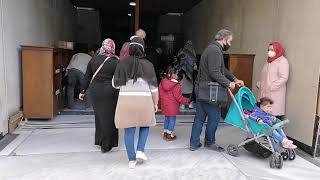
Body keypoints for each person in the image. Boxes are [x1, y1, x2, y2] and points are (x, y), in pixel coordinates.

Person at [190, 29, 244, 152]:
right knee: (214, 117)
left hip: (202, 89)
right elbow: (215, 72)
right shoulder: (215, 50)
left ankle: (194, 143)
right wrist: (228, 83)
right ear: (224, 39)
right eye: (230, 41)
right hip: (209, 91)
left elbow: (222, 69)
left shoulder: (212, 48)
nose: (230, 44)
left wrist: (234, 79)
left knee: (199, 117)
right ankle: (209, 142)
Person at [113, 37, 158, 169]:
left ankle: (131, 160)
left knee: (129, 131)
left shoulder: (122, 63)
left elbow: (115, 85)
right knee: (145, 125)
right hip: (144, 102)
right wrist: (155, 103)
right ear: (143, 48)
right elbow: (154, 88)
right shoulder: (148, 65)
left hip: (126, 102)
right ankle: (140, 150)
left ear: (130, 48)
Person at [79, 39, 120, 153]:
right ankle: (107, 144)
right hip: (110, 92)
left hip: (95, 92)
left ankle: (100, 140)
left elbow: (87, 77)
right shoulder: (116, 61)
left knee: (99, 117)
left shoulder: (94, 60)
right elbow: (119, 80)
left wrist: (82, 91)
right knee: (109, 117)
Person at [257, 42, 289, 119]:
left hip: (274, 93)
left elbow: (284, 77)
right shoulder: (268, 61)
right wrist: (260, 84)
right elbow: (265, 76)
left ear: (277, 50)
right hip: (264, 93)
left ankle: (276, 131)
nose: (269, 51)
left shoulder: (282, 61)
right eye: (269, 49)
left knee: (274, 117)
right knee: (263, 117)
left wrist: (271, 86)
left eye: (272, 50)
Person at [159, 67, 190, 141]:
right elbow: (178, 97)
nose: (177, 75)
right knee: (172, 120)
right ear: (171, 75)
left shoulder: (162, 83)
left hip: (165, 105)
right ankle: (169, 135)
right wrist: (187, 101)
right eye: (175, 73)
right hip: (172, 106)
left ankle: (165, 133)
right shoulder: (176, 85)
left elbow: (160, 94)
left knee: (167, 119)